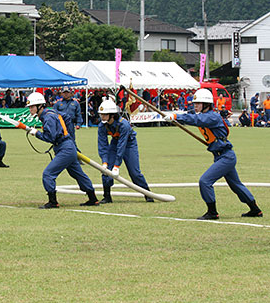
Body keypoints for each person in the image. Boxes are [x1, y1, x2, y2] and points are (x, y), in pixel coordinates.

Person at [164, 88, 262, 220]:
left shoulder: (212, 116)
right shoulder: (205, 116)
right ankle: (255, 210)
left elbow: (196, 120)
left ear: (206, 104)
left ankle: (212, 212)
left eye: (198, 103)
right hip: (220, 155)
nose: (195, 106)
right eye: (195, 103)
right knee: (236, 185)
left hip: (226, 156)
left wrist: (176, 116)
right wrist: (175, 116)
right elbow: (194, 118)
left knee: (205, 181)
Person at [26, 92, 99, 209]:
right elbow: (66, 118)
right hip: (66, 146)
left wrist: (37, 133)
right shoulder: (50, 113)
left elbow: (50, 137)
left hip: (64, 148)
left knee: (48, 174)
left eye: (32, 107)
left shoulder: (48, 116)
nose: (30, 109)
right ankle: (93, 198)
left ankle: (53, 202)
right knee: (77, 174)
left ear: (40, 106)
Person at [96, 99, 154, 203]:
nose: (102, 117)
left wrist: (117, 166)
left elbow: (122, 146)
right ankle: (107, 196)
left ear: (112, 115)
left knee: (135, 172)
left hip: (129, 144)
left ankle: (147, 194)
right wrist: (104, 162)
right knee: (106, 171)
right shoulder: (102, 125)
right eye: (101, 114)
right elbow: (102, 145)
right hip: (115, 143)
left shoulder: (124, 125)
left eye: (104, 114)